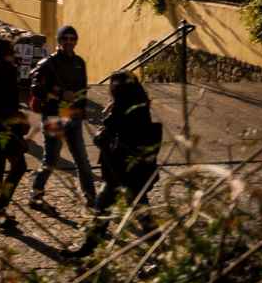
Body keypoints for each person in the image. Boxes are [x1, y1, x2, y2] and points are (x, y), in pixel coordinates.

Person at [77, 72, 163, 253]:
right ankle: (88, 247)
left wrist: (106, 117)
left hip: (120, 170)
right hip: (134, 170)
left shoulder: (121, 107)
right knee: (129, 210)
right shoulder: (141, 105)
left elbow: (101, 138)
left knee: (106, 209)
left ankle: (88, 248)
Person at [27, 25, 97, 210]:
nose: (69, 42)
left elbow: (82, 90)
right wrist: (59, 95)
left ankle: (91, 198)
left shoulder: (79, 62)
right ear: (58, 41)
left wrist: (81, 110)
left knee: (82, 159)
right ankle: (36, 194)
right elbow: (35, 88)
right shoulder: (48, 64)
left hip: (73, 117)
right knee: (51, 159)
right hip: (53, 116)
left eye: (72, 39)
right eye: (65, 39)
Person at [0, 38, 29, 227]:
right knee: (19, 167)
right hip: (5, 129)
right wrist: (20, 123)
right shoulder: (7, 72)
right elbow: (7, 106)